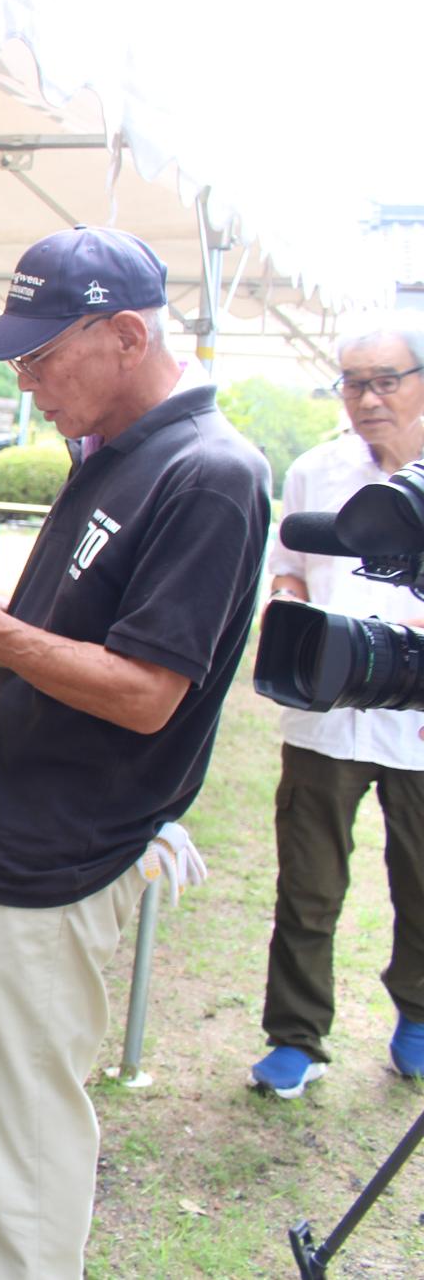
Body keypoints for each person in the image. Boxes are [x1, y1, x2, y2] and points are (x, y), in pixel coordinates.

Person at [0, 225, 270, 1278]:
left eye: (43, 355)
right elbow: (65, 637)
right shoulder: (113, 457)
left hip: (63, 855)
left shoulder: (207, 474)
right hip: (6, 838)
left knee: (18, 1151)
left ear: (127, 333)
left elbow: (145, 694)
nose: (28, 379)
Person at [251, 322, 424, 1098]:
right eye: (352, 382)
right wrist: (288, 608)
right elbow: (289, 566)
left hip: (417, 725)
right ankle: (295, 1035)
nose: (368, 397)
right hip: (323, 716)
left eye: (386, 379)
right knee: (308, 882)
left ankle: (418, 1016)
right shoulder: (317, 472)